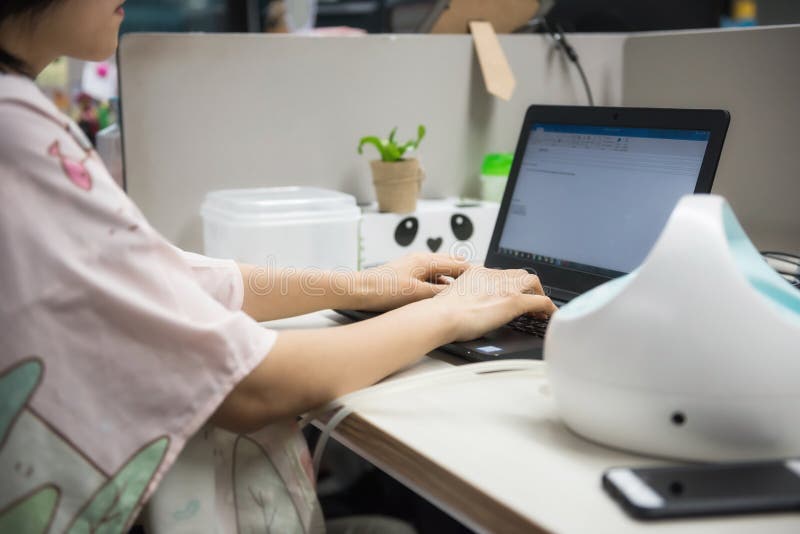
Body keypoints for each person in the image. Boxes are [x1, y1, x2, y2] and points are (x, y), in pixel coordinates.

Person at [0, 1, 555, 532]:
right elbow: (250, 388)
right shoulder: (15, 131)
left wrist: (368, 282)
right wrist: (453, 313)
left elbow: (169, 278)